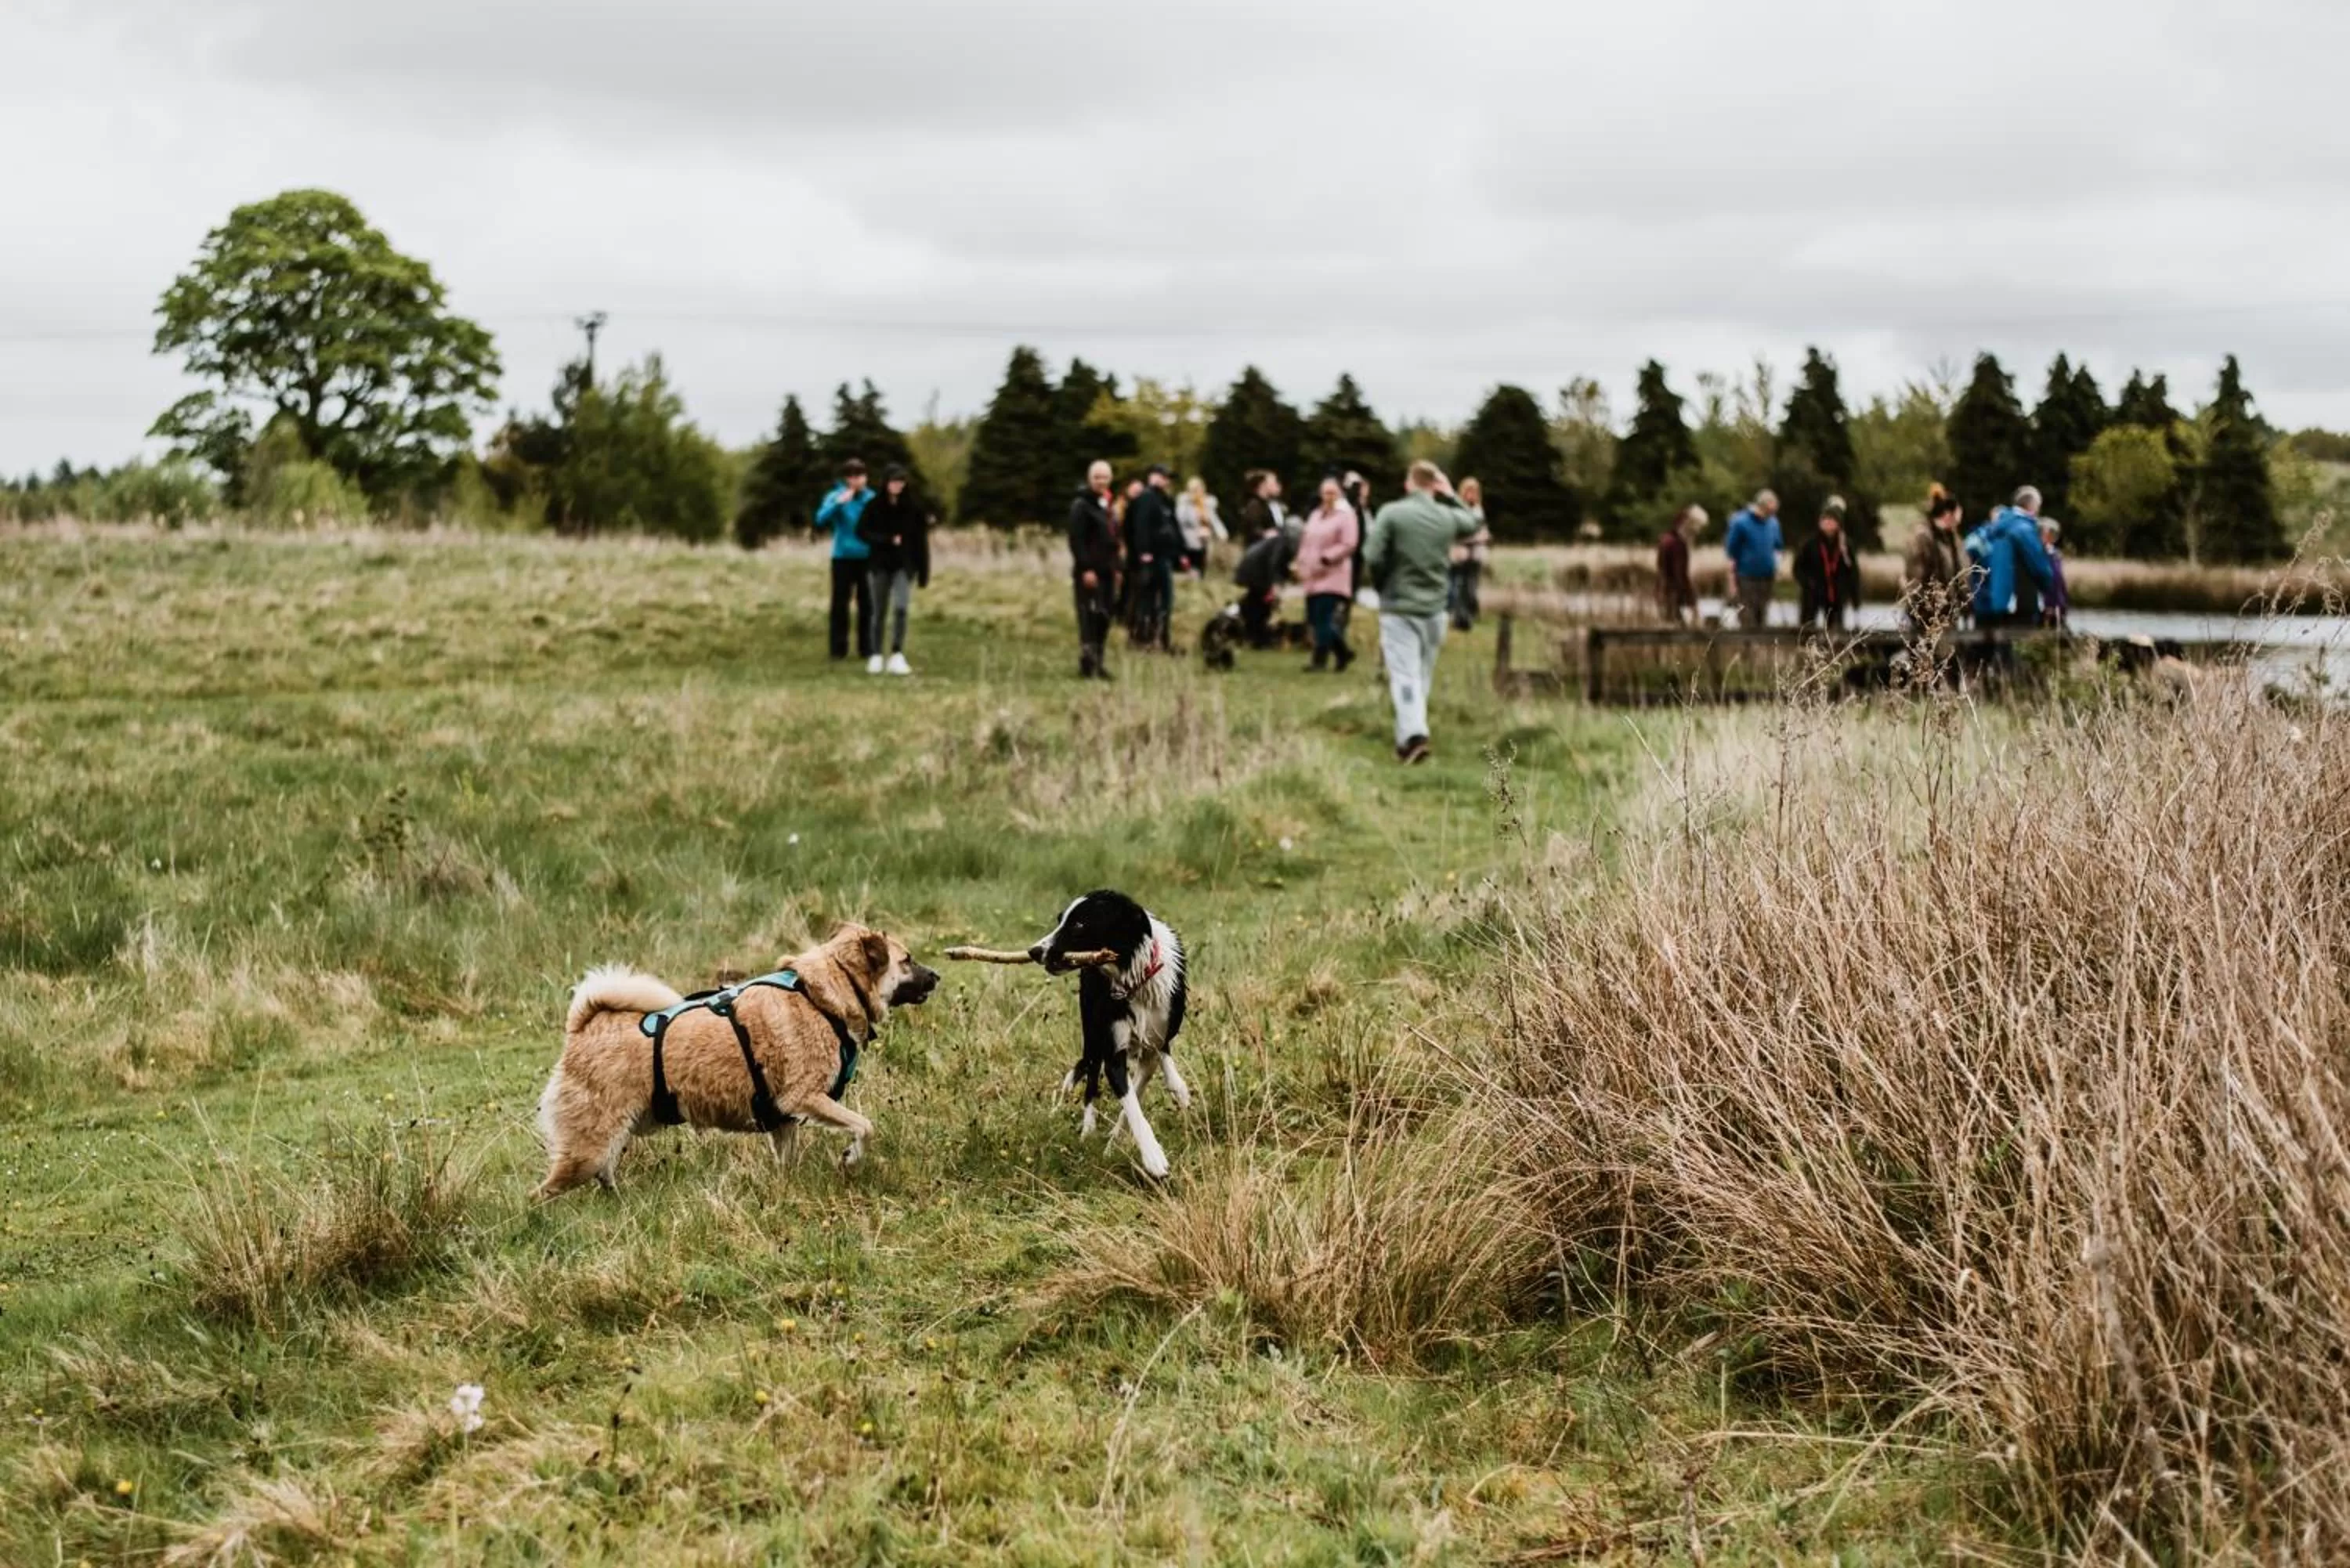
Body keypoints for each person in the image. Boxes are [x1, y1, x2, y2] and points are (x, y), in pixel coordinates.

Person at [1365, 461, 1483, 765]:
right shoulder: (1446, 516)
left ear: (1408, 484)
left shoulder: (1392, 513)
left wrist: (1382, 584)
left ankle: (1415, 735)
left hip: (1400, 606)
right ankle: (1409, 736)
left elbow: (1372, 555)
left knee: (1404, 674)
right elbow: (1473, 522)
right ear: (1435, 484)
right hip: (1435, 608)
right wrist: (1451, 494)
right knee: (1422, 673)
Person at [853, 465, 929, 675]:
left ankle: (897, 653)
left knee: (901, 607)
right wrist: (886, 540)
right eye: (894, 481)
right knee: (878, 610)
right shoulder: (874, 506)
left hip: (904, 566)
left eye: (901, 482)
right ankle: (876, 654)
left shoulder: (914, 509)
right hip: (879, 565)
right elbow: (861, 531)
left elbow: (921, 543)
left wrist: (923, 572)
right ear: (886, 483)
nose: (897, 485)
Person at [1967, 486, 2055, 630]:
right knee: (2021, 647)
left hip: (1994, 602)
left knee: (2000, 648)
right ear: (2032, 506)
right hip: (2020, 600)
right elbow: (2040, 568)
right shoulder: (2023, 529)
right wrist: (2048, 584)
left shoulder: (1995, 527)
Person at [816, 459, 878, 666]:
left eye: (859, 475)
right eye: (851, 476)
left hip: (868, 557)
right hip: (842, 557)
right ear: (846, 479)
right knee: (840, 604)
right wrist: (839, 503)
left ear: (865, 477)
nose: (856, 480)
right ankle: (838, 649)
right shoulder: (836, 497)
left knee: (867, 604)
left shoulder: (872, 499)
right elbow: (820, 519)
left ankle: (867, 648)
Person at [1296, 475, 1361, 672]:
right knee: (1314, 619)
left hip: (1333, 573)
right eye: (1325, 492)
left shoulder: (1346, 516)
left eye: (1332, 492)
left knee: (1323, 618)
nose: (1328, 496)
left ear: (1339, 493)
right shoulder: (1315, 515)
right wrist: (1300, 562)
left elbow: (1349, 543)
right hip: (1313, 574)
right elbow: (1306, 541)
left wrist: (1328, 557)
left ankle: (1319, 660)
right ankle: (1343, 652)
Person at [1068, 460, 1121, 679]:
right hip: (1090, 573)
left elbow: (1113, 539)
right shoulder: (1081, 505)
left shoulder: (1106, 505)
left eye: (1105, 477)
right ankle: (1088, 663)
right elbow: (1076, 540)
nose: (1101, 481)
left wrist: (1118, 568)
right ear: (1090, 479)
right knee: (1089, 617)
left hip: (1108, 571)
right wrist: (1086, 569)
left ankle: (1098, 661)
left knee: (1104, 617)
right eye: (1097, 477)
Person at [1124, 464, 1184, 650]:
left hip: (1164, 556)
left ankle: (1161, 638)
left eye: (1167, 477)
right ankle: (1142, 638)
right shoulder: (1146, 498)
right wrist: (1144, 552)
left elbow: (1172, 528)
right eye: (1162, 476)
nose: (1165, 481)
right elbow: (1140, 527)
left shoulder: (1165, 500)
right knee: (1147, 599)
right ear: (1151, 477)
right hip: (1150, 559)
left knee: (1164, 600)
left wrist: (1180, 552)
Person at [1900, 484, 1970, 630]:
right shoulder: (1924, 537)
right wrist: (1924, 608)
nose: (1958, 522)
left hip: (1946, 612)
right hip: (1929, 615)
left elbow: (1959, 573)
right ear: (1949, 515)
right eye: (1957, 517)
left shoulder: (1950, 538)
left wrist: (1963, 602)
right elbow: (1916, 578)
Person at [1791, 496, 1861, 630]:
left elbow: (1853, 572)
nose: (1827, 524)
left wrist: (1855, 598)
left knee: (1835, 630)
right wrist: (1808, 583)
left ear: (1838, 524)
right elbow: (1798, 568)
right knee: (1807, 627)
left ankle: (1833, 650)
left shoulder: (1845, 546)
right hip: (1812, 594)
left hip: (1836, 595)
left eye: (1831, 521)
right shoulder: (1810, 544)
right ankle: (1805, 649)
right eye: (1825, 520)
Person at [1231, 505, 1292, 649]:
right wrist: (1273, 586)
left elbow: (1280, 566)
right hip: (1255, 572)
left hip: (1252, 569)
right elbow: (1274, 564)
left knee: (1256, 602)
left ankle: (1253, 634)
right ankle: (1256, 637)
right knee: (1261, 605)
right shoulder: (1282, 543)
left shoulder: (1280, 540)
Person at [1721, 489, 1783, 628]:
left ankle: (1761, 647)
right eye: (1770, 510)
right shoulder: (1740, 522)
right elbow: (1731, 550)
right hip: (1746, 576)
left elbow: (1778, 547)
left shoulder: (1773, 523)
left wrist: (1777, 566)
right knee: (1747, 613)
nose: (1772, 514)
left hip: (1767, 576)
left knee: (1762, 613)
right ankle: (1748, 647)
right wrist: (1732, 576)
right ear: (1761, 506)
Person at [1448, 476, 1492, 631]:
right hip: (1460, 553)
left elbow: (1484, 533)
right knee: (1458, 587)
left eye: (1474, 492)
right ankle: (1459, 618)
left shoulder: (1478, 511)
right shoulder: (1457, 510)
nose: (1471, 495)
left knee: (1471, 587)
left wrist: (1479, 537)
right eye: (1468, 492)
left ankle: (1469, 616)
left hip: (1475, 555)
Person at [1655, 504, 1704, 623]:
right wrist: (1692, 603)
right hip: (1673, 595)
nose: (1697, 532)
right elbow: (1680, 575)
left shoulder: (1666, 539)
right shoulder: (1677, 545)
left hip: (1664, 592)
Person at [1176, 477, 1224, 575]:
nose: (1198, 492)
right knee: (1192, 567)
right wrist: (1195, 514)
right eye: (1194, 490)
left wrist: (1221, 532)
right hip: (1189, 540)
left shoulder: (1207, 503)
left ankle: (1199, 581)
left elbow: (1214, 519)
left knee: (1202, 565)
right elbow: (1180, 519)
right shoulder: (1184, 503)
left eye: (1199, 489)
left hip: (1204, 539)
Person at [2039, 518, 2070, 627]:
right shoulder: (2037, 553)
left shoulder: (2056, 554)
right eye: (2046, 533)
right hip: (2044, 605)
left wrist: (2064, 601)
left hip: (2058, 603)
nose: (2051, 536)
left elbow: (2059, 580)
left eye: (2053, 533)